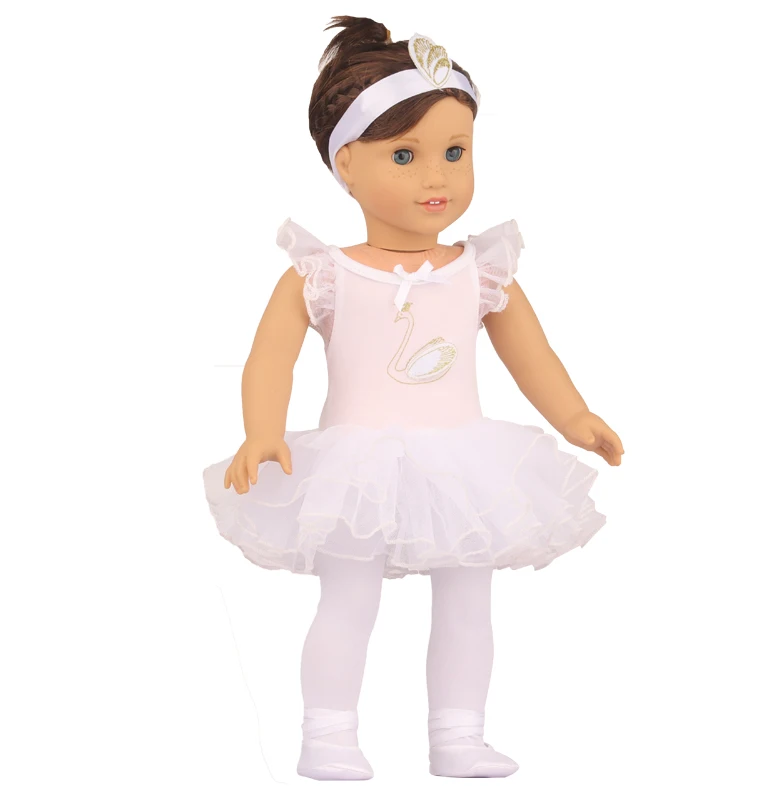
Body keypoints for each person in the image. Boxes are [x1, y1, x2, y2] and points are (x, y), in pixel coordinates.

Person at [202, 15, 624, 781]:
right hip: (355, 467)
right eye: (405, 155)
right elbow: (270, 358)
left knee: (468, 604)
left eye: (455, 153)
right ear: (346, 165)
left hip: (465, 464)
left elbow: (533, 355)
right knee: (348, 602)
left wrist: (573, 415)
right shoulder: (322, 273)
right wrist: (262, 430)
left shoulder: (480, 269)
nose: (438, 177)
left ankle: (458, 736)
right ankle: (327, 736)